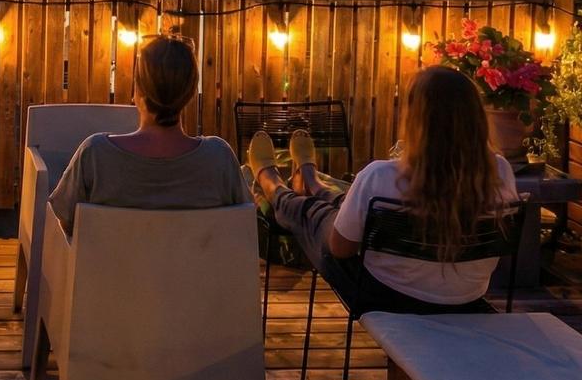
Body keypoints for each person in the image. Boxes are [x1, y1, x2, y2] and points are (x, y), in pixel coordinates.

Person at [246, 65, 518, 310]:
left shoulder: (381, 175)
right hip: (466, 298)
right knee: (350, 205)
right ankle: (312, 181)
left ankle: (272, 183)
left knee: (310, 213)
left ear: (416, 120)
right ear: (476, 117)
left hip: (383, 295)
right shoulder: (501, 172)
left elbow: (341, 250)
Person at [50, 35, 249, 234]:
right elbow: (243, 223)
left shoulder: (95, 154)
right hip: (194, 266)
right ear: (189, 93)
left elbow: (67, 225)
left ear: (138, 89)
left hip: (112, 265)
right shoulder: (218, 158)